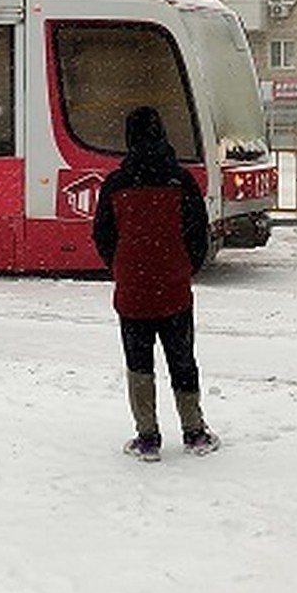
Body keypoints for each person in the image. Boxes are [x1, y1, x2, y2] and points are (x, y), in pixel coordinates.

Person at [92, 105, 219, 462]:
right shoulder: (181, 180)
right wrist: (184, 268)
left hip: (132, 290)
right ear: (163, 135)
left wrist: (120, 267)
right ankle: (194, 431)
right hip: (174, 289)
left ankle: (147, 438)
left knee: (138, 363)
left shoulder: (116, 184)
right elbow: (198, 233)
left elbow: (102, 235)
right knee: (182, 359)